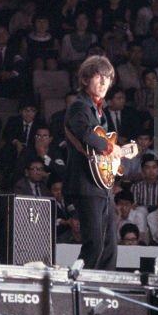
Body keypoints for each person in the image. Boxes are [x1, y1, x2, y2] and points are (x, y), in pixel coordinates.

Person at [62, 55, 122, 270]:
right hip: (85, 183)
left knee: (109, 245)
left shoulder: (99, 110)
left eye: (108, 77)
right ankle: (82, 283)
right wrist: (111, 148)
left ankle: (104, 283)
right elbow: (86, 134)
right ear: (85, 79)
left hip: (99, 183)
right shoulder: (79, 106)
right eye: (99, 76)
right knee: (94, 243)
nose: (104, 82)